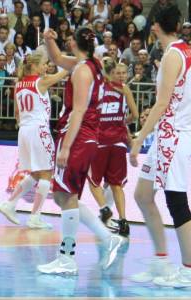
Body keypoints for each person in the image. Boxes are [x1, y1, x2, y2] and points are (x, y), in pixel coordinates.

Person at [37, 27, 125, 275]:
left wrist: (65, 147)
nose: (66, 41)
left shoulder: (83, 71)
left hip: (77, 136)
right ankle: (106, 238)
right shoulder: (89, 63)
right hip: (85, 137)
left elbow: (78, 111)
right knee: (65, 196)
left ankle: (67, 258)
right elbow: (56, 59)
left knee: (66, 196)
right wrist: (47, 40)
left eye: (69, 39)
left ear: (75, 43)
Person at [129, 5, 191, 289]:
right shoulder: (183, 50)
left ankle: (189, 271)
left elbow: (162, 102)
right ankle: (161, 260)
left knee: (176, 201)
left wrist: (138, 138)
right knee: (143, 195)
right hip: (168, 133)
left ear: (155, 25)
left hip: (177, 134)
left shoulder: (173, 55)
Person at [0, 53, 68, 229]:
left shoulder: (19, 84)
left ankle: (10, 204)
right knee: (46, 173)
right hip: (39, 129)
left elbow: (16, 113)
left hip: (24, 130)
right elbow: (65, 71)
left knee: (36, 173)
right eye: (44, 64)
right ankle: (35, 217)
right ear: (34, 66)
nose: (46, 67)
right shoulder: (41, 82)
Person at [88, 57, 138, 237]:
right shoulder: (124, 89)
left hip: (100, 141)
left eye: (123, 72)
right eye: (118, 72)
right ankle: (123, 221)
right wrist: (121, 122)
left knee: (93, 181)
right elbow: (136, 114)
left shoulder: (97, 89)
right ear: (112, 73)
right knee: (117, 185)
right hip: (117, 142)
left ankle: (104, 210)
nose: (121, 75)